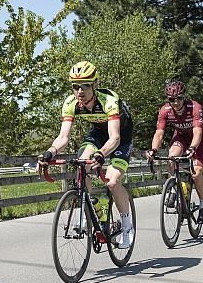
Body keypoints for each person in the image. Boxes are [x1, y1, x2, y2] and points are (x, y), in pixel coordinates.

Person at [38, 61, 135, 249]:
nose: (79, 91)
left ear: (94, 85)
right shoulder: (71, 103)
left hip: (121, 137)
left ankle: (127, 226)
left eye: (85, 85)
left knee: (113, 181)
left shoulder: (109, 101)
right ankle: (86, 208)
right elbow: (63, 137)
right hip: (98, 134)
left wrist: (101, 155)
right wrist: (49, 152)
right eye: (75, 86)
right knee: (83, 164)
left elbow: (114, 138)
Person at [146, 80, 203, 223]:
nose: (175, 102)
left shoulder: (194, 107)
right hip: (180, 136)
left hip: (197, 139)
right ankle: (174, 189)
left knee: (196, 173)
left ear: (184, 97)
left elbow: (198, 133)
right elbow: (159, 133)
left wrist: (192, 148)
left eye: (178, 98)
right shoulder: (165, 111)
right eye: (171, 100)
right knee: (171, 156)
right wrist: (153, 150)